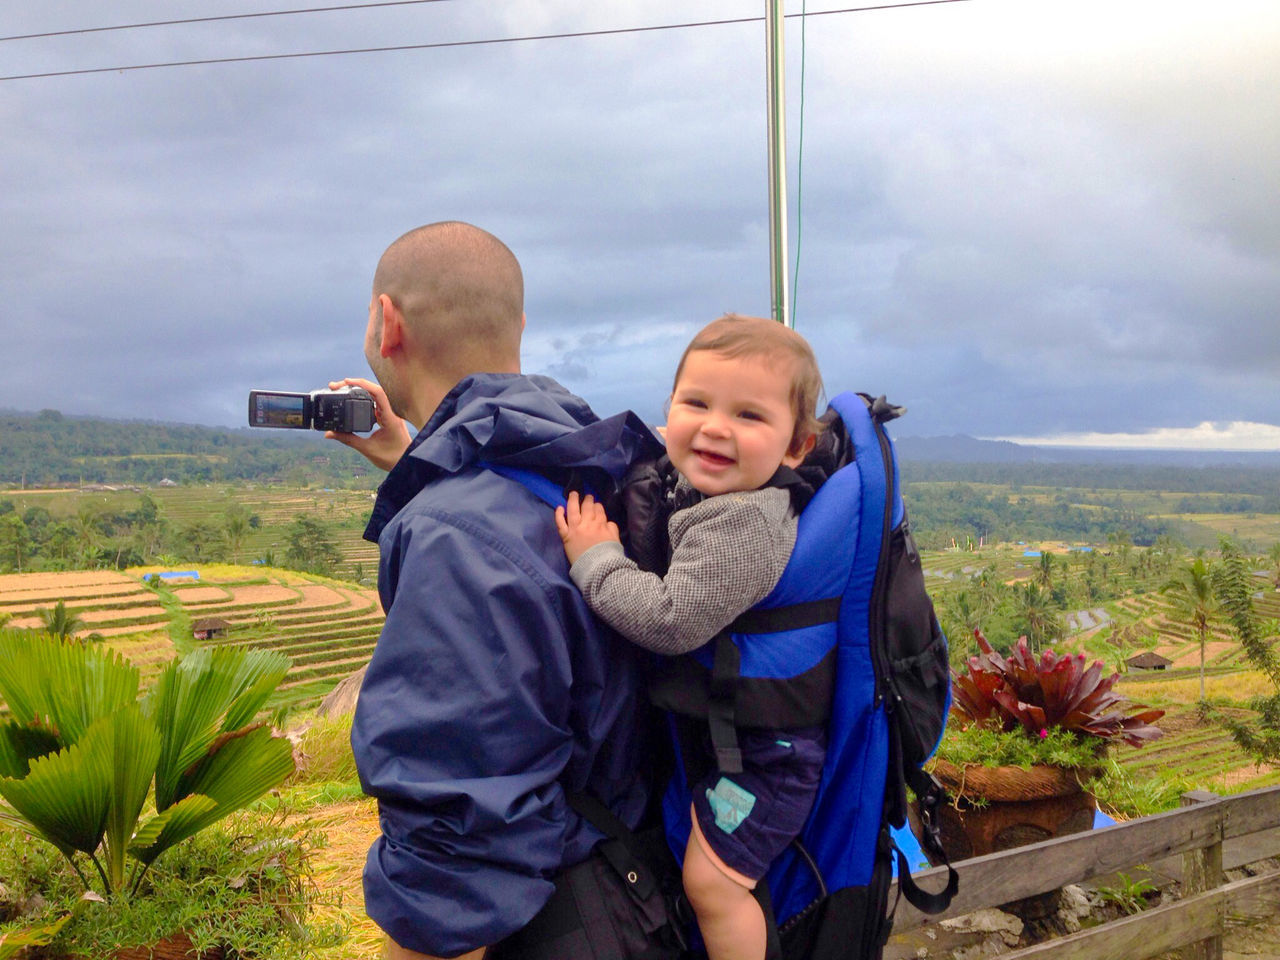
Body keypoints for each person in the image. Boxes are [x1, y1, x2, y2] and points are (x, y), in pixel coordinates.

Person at [328, 221, 663, 960]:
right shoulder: (583, 458)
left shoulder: (455, 538)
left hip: (568, 919)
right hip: (645, 885)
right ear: (516, 325)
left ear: (388, 323)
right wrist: (411, 459)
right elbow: (519, 541)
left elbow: (453, 858)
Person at [555, 314, 826, 960]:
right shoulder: (707, 489)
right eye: (695, 403)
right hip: (732, 742)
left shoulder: (745, 524)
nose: (714, 427)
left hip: (766, 763)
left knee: (712, 885)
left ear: (796, 449)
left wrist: (596, 559)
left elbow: (671, 620)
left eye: (749, 417)